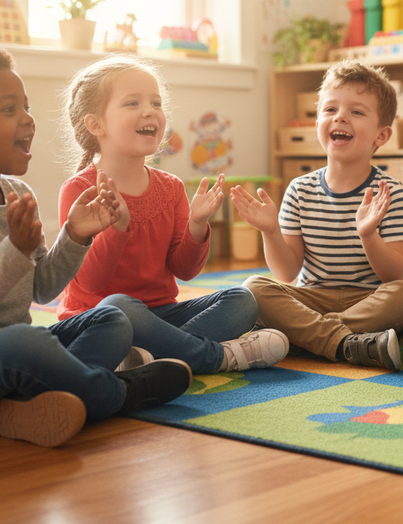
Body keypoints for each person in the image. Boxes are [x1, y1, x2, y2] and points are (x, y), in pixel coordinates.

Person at [0, 43, 191, 449]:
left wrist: (75, 236)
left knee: (111, 320)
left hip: (11, 362)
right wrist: (13, 250)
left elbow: (43, 287)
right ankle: (117, 393)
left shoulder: (15, 192)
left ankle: (37, 403)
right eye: (8, 109)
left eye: (24, 106)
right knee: (26, 342)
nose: (28, 120)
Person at [58, 54, 288, 375]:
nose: (150, 111)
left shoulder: (171, 188)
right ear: (96, 124)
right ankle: (217, 357)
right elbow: (91, 281)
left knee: (243, 299)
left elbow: (185, 270)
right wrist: (117, 229)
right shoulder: (79, 190)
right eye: (132, 103)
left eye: (156, 102)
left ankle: (148, 356)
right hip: (101, 318)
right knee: (119, 305)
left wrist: (196, 225)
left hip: (162, 315)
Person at [232, 60, 403, 371]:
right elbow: (286, 273)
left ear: (381, 135)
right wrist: (270, 232)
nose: (340, 117)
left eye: (356, 112)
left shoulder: (391, 192)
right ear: (317, 121)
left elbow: (394, 276)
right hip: (312, 297)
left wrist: (369, 235)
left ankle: (307, 337)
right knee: (254, 288)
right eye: (330, 109)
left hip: (368, 300)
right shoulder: (299, 189)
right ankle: (349, 344)